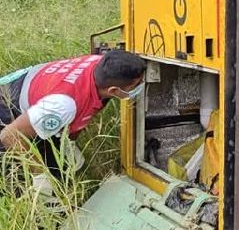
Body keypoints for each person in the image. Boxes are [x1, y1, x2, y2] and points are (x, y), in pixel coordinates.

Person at [0, 49, 146, 177]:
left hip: (37, 87)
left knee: (58, 167)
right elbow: (9, 135)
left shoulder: (101, 66)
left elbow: (85, 110)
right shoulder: (63, 105)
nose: (142, 85)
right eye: (137, 84)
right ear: (113, 91)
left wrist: (69, 141)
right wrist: (39, 177)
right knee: (11, 171)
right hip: (8, 103)